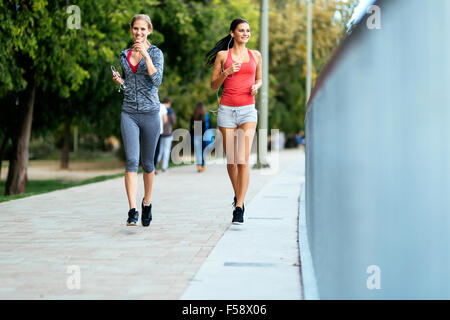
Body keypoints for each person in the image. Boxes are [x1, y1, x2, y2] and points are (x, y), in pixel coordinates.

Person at [206, 18, 262, 225]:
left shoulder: (256, 55)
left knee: (242, 160)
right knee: (231, 163)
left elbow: (259, 78)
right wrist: (226, 72)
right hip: (227, 111)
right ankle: (238, 195)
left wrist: (257, 86)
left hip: (248, 111)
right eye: (241, 30)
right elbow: (213, 86)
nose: (245, 33)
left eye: (248, 30)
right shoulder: (223, 56)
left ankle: (239, 206)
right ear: (232, 33)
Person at [112, 14, 164, 227]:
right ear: (131, 30)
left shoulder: (156, 53)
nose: (139, 33)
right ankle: (133, 209)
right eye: (136, 29)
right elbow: (130, 84)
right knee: (132, 161)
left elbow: (157, 80)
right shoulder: (124, 55)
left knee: (148, 163)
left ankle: (147, 202)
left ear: (149, 30)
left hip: (150, 113)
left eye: (143, 29)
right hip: (129, 113)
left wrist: (146, 56)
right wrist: (120, 81)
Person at [156, 97, 176, 172]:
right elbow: (174, 121)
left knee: (159, 150)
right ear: (169, 103)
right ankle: (164, 167)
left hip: (159, 132)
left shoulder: (158, 107)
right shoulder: (170, 111)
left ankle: (156, 164)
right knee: (166, 150)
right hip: (167, 132)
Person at [190, 102, 210, 172]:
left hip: (196, 135)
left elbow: (191, 127)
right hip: (204, 136)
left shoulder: (194, 116)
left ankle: (198, 166)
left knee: (198, 152)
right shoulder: (206, 115)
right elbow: (208, 127)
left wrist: (191, 135)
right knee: (203, 152)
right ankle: (203, 165)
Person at [154, 101, 168, 174]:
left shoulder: (148, 103)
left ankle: (147, 167)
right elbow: (165, 119)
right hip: (158, 131)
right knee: (157, 150)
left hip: (147, 130)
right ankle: (154, 167)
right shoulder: (162, 106)